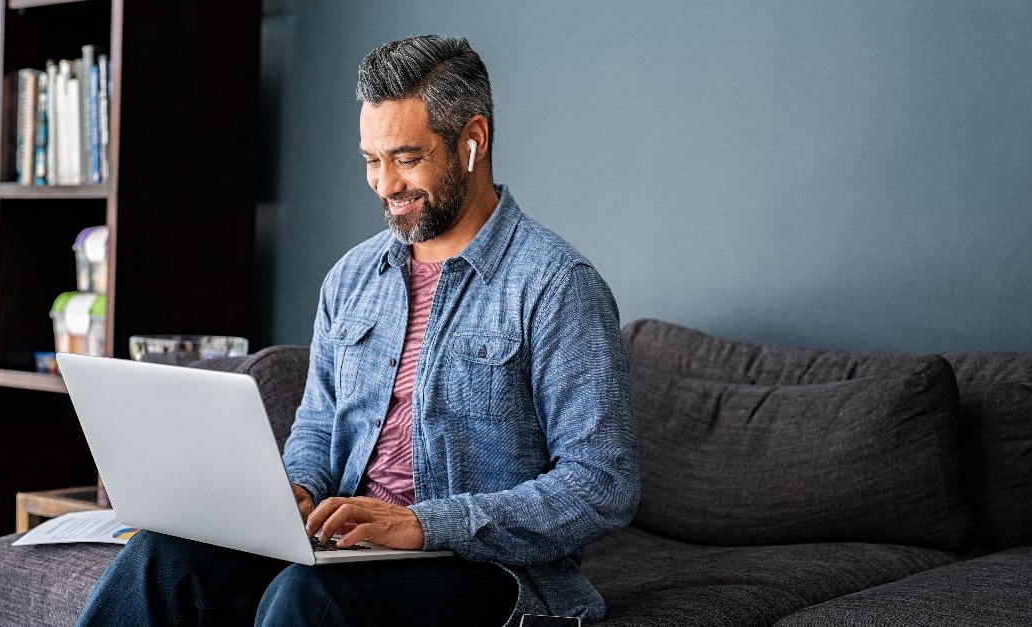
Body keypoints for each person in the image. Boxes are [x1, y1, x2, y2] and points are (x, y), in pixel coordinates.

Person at [74, 35, 638, 627]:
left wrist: (423, 524)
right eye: (372, 160)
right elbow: (319, 425)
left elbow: (602, 483)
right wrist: (297, 490)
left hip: (488, 569)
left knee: (311, 596)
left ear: (473, 140)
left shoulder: (557, 285)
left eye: (407, 158)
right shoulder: (352, 277)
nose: (385, 184)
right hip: (348, 551)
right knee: (161, 558)